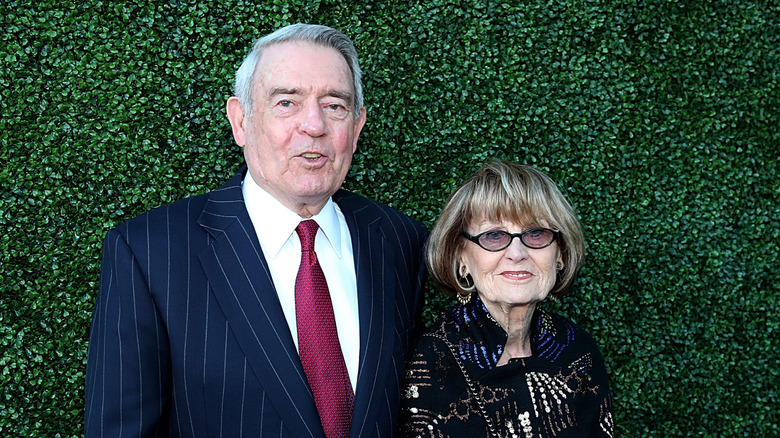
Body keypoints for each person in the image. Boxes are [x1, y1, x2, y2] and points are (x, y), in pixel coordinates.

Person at [85, 23, 428, 438]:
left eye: (335, 105)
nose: (314, 125)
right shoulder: (150, 252)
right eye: (287, 103)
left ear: (356, 129)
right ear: (241, 121)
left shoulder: (400, 241)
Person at [398, 160, 614, 437]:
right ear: (461, 257)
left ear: (559, 254)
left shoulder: (577, 349)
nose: (517, 253)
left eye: (536, 233)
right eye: (494, 236)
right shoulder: (430, 362)